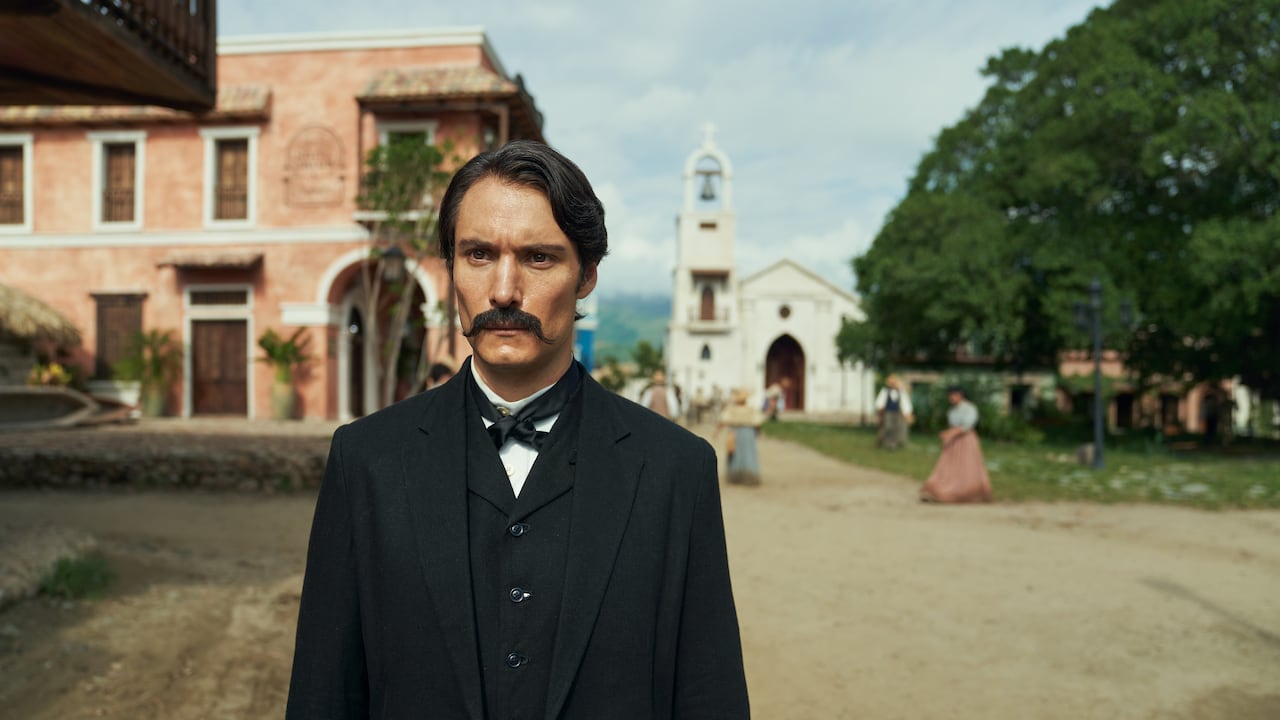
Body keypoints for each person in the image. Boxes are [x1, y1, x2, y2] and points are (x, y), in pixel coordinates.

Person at [286, 141, 750, 719]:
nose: (504, 291)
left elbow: (711, 695)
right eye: (478, 254)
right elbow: (323, 693)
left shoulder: (677, 471)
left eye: (538, 258)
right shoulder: (366, 462)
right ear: (450, 267)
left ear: (587, 276)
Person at [920, 385, 992, 503]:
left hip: (966, 440)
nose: (951, 398)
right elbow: (953, 425)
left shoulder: (969, 408)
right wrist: (948, 435)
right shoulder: (952, 411)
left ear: (960, 395)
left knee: (967, 466)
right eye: (950, 395)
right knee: (949, 466)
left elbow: (967, 425)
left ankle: (966, 491)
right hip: (954, 442)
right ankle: (945, 489)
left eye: (954, 395)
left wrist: (950, 433)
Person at [717, 388, 763, 486]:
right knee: (743, 454)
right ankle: (743, 476)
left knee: (741, 454)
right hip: (745, 433)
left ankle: (739, 476)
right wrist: (758, 432)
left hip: (738, 432)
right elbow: (757, 423)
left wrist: (717, 432)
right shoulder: (742, 409)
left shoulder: (735, 409)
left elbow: (723, 421)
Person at [874, 374, 914, 450]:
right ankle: (884, 441)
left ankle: (893, 444)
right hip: (888, 412)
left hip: (897, 413)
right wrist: (880, 410)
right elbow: (880, 402)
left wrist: (906, 413)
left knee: (896, 428)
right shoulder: (885, 391)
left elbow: (905, 403)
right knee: (888, 427)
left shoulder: (901, 392)